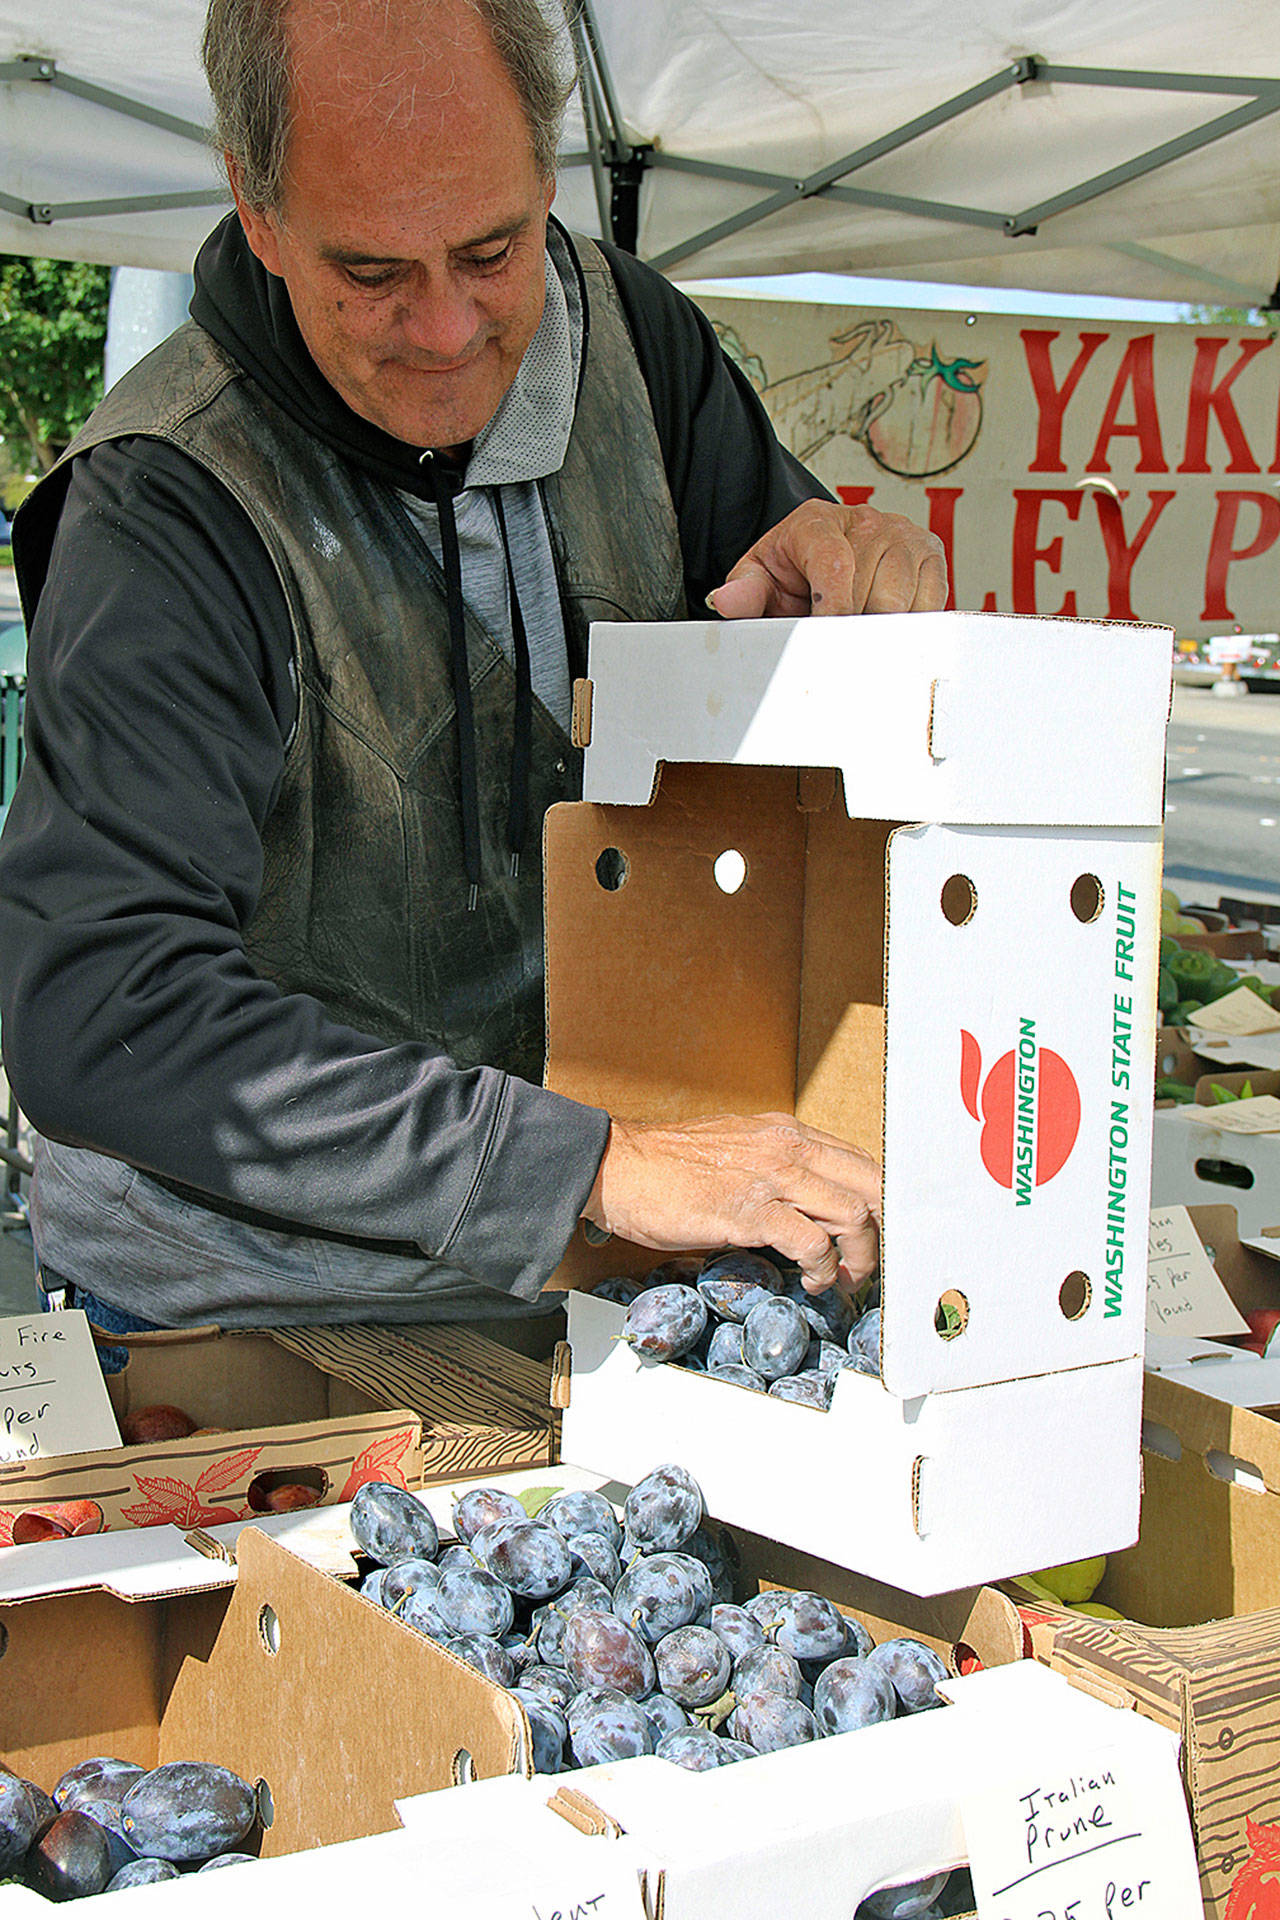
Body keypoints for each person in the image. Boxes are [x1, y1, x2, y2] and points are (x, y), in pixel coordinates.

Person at [0, 0, 945, 1338]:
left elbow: (771, 753)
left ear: (546, 171)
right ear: (254, 208)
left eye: (493, 249)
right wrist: (590, 1163)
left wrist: (835, 580)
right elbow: (102, 1009)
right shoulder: (165, 505)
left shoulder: (638, 345)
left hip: (601, 1259)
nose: (446, 332)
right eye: (372, 272)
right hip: (247, 1297)